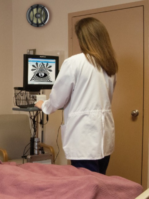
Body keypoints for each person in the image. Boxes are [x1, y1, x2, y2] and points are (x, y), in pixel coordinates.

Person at [35, 17, 117, 175]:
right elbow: (106, 99)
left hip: (84, 138)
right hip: (104, 137)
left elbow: (58, 99)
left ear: (83, 39)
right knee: (99, 180)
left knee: (86, 185)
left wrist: (44, 106)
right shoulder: (109, 66)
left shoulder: (74, 62)